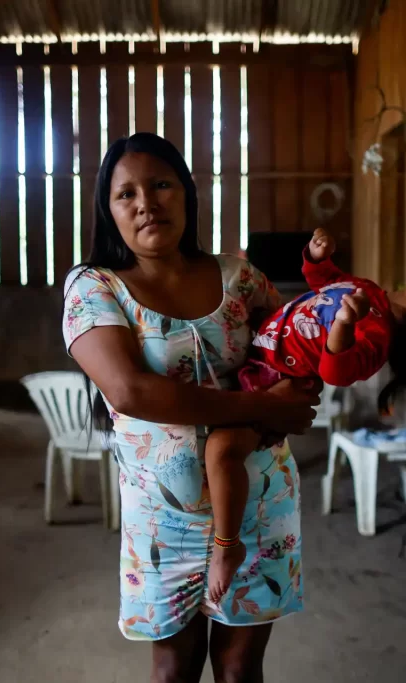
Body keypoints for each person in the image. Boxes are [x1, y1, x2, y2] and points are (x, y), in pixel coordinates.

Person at [63, 133, 320, 683]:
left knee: (239, 669)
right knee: (173, 670)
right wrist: (259, 406)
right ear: (108, 212)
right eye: (125, 194)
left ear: (187, 194)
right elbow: (130, 391)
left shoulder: (240, 278)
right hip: (163, 524)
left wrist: (304, 383)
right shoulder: (94, 287)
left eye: (160, 185)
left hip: (260, 504)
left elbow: (297, 350)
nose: (146, 203)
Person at [204, 227, 406, 602]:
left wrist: (344, 327)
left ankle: (227, 543)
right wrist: (319, 258)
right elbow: (326, 282)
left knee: (222, 450)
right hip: (262, 351)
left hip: (272, 381)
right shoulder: (373, 294)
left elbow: (336, 372)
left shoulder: (377, 338)